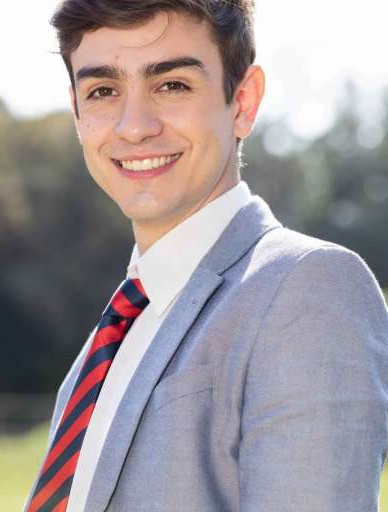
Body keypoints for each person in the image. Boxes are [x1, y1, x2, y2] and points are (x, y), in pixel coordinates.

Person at [24, 1, 388, 511]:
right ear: (78, 113)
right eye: (103, 90)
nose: (134, 126)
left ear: (243, 102)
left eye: (172, 84)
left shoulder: (310, 289)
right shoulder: (114, 332)